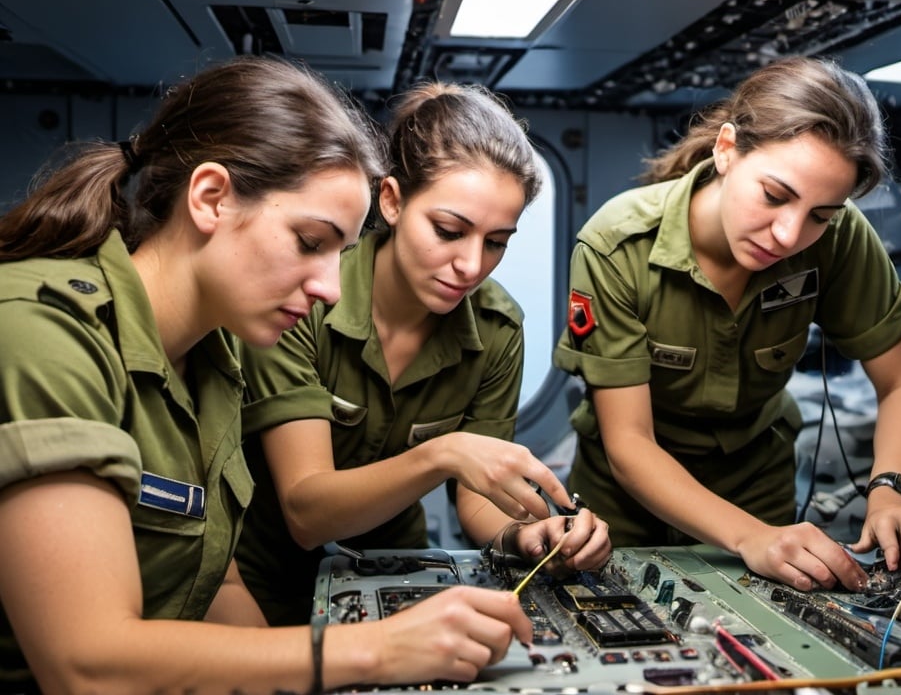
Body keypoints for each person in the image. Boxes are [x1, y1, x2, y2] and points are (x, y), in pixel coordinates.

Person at [0, 56, 534, 695]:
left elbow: (216, 584)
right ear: (210, 198)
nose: (333, 289)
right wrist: (371, 651)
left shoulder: (215, 359)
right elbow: (84, 663)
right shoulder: (44, 332)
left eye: (340, 253)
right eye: (311, 243)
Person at [552, 56, 901, 593]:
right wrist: (748, 538)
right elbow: (629, 443)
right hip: (625, 504)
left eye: (820, 215)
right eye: (774, 196)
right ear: (727, 149)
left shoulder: (840, 237)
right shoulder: (616, 245)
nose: (788, 233)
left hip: (756, 486)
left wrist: (892, 488)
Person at [235, 81, 611, 627]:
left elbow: (477, 498)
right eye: (448, 230)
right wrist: (443, 453)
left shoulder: (497, 328)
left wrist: (529, 535)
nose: (471, 265)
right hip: (260, 583)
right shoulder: (304, 298)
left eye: (497, 241)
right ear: (391, 201)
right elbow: (306, 511)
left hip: (395, 578)